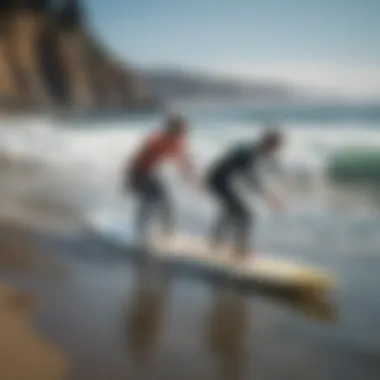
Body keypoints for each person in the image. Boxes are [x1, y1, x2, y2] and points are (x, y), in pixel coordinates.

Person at [205, 127, 285, 260]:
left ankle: (216, 241)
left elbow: (270, 167)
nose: (276, 151)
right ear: (269, 144)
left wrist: (275, 191)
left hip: (220, 180)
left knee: (231, 210)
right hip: (217, 182)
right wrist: (269, 197)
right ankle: (240, 250)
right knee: (245, 215)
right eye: (276, 147)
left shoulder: (253, 150)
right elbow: (251, 179)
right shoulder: (250, 153)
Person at [125, 114, 194, 243]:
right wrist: (128, 181)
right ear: (173, 128)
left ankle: (166, 233)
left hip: (149, 173)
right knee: (151, 201)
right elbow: (136, 159)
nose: (185, 132)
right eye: (182, 129)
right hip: (139, 173)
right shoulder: (157, 140)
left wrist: (192, 180)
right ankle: (141, 232)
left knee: (165, 202)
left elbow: (184, 162)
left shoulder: (177, 142)